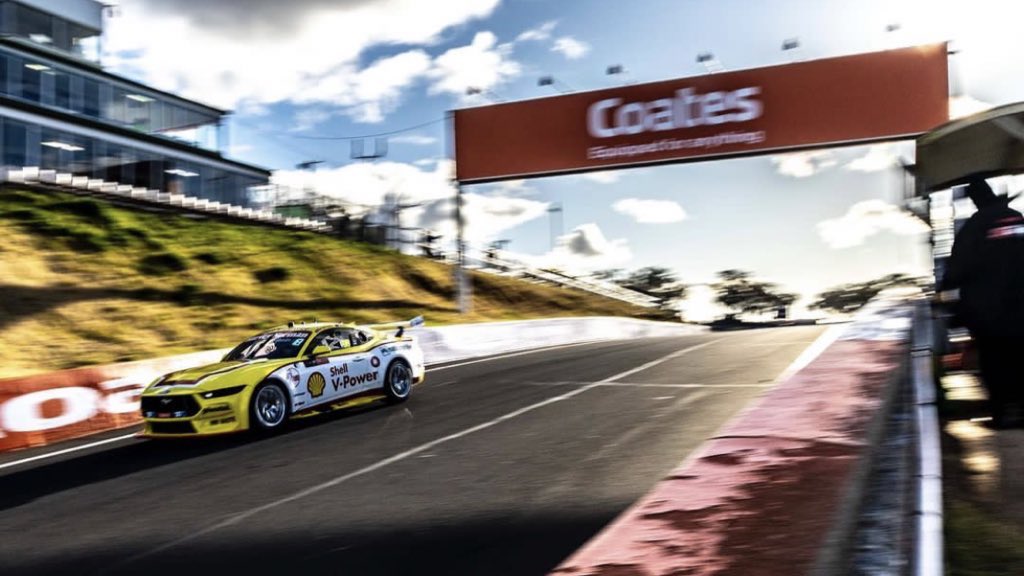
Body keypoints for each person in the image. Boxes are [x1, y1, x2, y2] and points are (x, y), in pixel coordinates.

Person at [941, 176, 1024, 427]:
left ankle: (1002, 413)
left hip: (989, 312)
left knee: (994, 361)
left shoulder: (974, 226)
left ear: (976, 201)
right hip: (1021, 306)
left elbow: (956, 271)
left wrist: (948, 290)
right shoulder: (1018, 218)